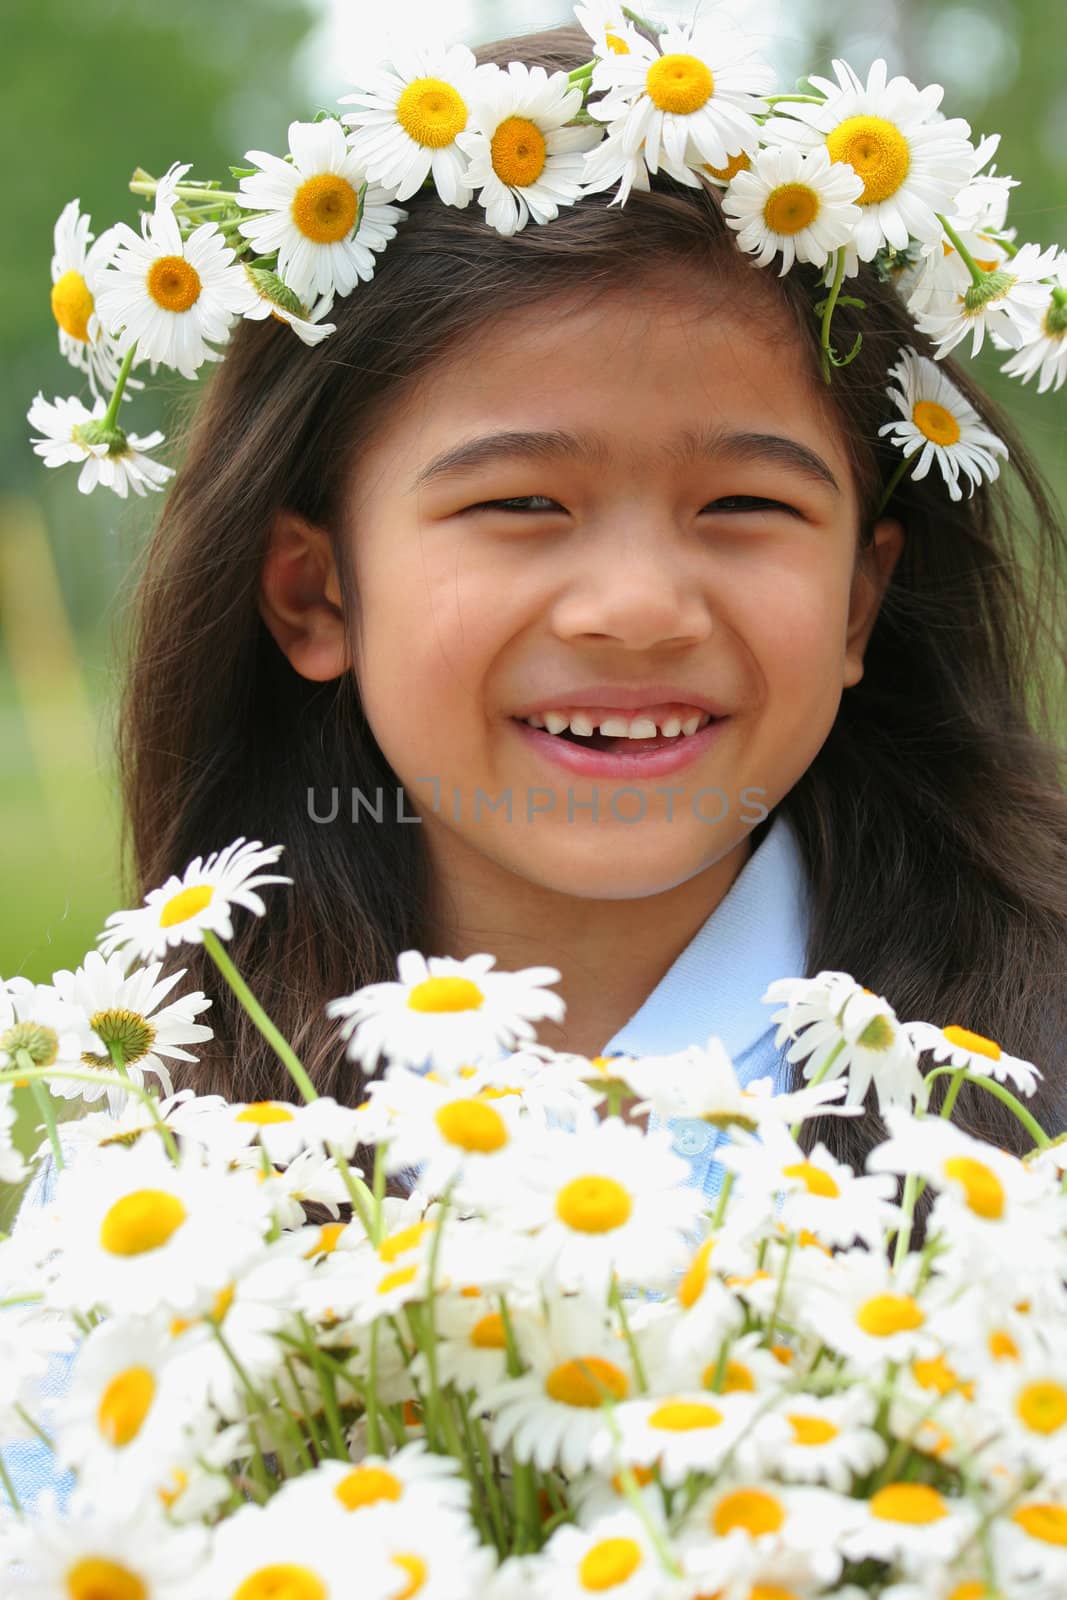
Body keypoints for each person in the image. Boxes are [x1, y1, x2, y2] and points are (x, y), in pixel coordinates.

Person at [7, 6, 1067, 1514]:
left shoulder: (1022, 1131)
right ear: (315, 593)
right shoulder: (146, 1196)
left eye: (746, 509)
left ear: (861, 600)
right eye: (520, 504)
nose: (638, 608)